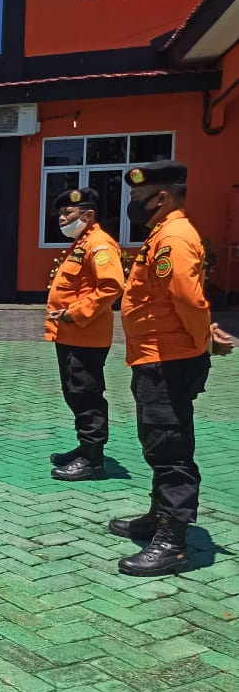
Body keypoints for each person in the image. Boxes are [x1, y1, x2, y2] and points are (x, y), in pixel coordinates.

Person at [113, 160, 234, 576]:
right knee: (158, 443)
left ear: (161, 197)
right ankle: (157, 516)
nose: (132, 204)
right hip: (156, 356)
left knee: (171, 450)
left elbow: (188, 300)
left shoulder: (175, 238)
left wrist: (203, 339)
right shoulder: (163, 235)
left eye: (136, 197)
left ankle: (173, 541)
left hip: (169, 360)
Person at [44, 188, 124, 481]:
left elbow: (111, 286)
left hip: (85, 335)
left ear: (88, 215)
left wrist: (73, 313)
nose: (62, 218)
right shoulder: (82, 243)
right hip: (70, 335)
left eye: (69, 213)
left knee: (86, 395)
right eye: (61, 213)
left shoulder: (100, 244)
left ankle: (93, 461)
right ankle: (84, 448)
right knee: (75, 393)